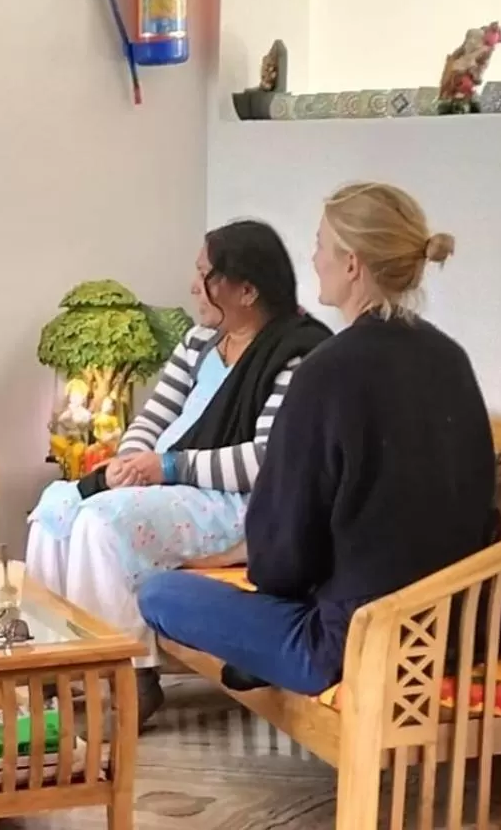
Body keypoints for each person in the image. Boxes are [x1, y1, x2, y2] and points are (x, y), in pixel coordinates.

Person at [138, 183, 496, 698]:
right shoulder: (450, 358)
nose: (313, 258)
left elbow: (280, 561)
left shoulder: (326, 372)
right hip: (455, 628)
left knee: (160, 593)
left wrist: (248, 564)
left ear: (351, 264)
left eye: (320, 244)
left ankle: (263, 660)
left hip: (350, 643)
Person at [26, 220, 330, 726]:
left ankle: (132, 677)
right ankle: (60, 668)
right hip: (168, 487)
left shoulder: (297, 353)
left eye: (206, 275)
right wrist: (128, 464)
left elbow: (267, 460)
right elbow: (152, 419)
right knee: (54, 512)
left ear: (247, 290)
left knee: (100, 523)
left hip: (239, 503)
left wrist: (167, 467)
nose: (194, 286)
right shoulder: (200, 341)